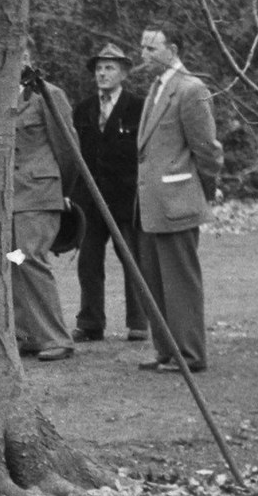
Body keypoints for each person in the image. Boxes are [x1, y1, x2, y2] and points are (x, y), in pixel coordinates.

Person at [135, 25, 222, 372]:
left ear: (172, 50)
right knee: (155, 280)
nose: (143, 54)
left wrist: (202, 191)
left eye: (151, 48)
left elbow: (207, 149)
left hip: (177, 202)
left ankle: (190, 354)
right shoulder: (157, 88)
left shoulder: (191, 89)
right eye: (142, 47)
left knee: (180, 283)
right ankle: (167, 351)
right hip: (152, 203)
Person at [71, 40, 145, 342]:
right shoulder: (83, 109)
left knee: (132, 259)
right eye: (99, 68)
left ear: (123, 73)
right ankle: (90, 323)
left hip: (125, 199)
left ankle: (139, 323)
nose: (102, 74)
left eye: (109, 68)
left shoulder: (138, 108)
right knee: (88, 262)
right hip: (90, 202)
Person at [10, 57, 76, 362]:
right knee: (16, 261)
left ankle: (56, 337)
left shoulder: (47, 94)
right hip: (12, 197)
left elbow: (67, 147)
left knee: (31, 258)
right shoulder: (2, 95)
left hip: (39, 194)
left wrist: (62, 191)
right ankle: (27, 336)